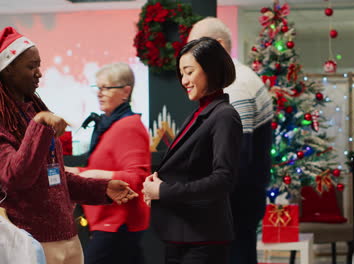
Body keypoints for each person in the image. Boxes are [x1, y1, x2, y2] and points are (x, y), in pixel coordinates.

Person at [0, 26, 137, 264]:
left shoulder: (34, 110)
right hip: (30, 243)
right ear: (8, 70)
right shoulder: (9, 120)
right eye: (31, 67)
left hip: (68, 239)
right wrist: (39, 124)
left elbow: (54, 178)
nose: (39, 73)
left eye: (39, 65)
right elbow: (15, 177)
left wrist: (101, 189)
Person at [142, 37, 243, 264]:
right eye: (182, 74)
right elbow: (189, 171)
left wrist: (164, 192)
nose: (184, 80)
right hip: (182, 237)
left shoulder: (225, 116)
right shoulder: (199, 114)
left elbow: (223, 179)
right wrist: (156, 188)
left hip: (203, 240)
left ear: (211, 70)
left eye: (189, 72)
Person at [188, 17, 274, 264]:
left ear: (217, 45)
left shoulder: (234, 85)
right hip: (243, 197)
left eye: (196, 47)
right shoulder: (238, 79)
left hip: (236, 200)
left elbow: (236, 154)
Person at [65, 63, 151, 264]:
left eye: (106, 88)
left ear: (125, 91)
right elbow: (104, 168)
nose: (99, 93)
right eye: (98, 88)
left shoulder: (128, 126)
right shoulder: (113, 126)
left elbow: (137, 178)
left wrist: (91, 175)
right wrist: (73, 171)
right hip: (109, 223)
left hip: (118, 223)